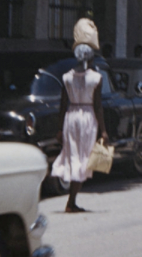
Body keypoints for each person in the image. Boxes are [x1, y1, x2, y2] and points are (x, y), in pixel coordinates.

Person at [51, 19, 108, 213]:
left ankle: (71, 201)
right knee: (83, 159)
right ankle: (71, 202)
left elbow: (62, 106)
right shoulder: (96, 78)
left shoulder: (67, 77)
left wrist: (59, 128)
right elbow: (98, 107)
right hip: (87, 119)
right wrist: (103, 131)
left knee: (74, 156)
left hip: (71, 118)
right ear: (91, 58)